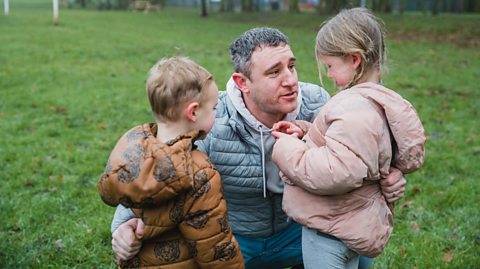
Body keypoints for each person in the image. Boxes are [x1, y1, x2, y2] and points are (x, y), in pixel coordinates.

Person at [110, 27, 408, 269]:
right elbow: (157, 170)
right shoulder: (212, 118)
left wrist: (391, 176)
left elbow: (357, 152)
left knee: (355, 234)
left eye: (291, 66)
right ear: (243, 82)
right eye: (274, 72)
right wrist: (121, 228)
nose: (291, 80)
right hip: (234, 241)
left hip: (299, 231)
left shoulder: (317, 102)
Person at [271, 8, 426, 269]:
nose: (329, 74)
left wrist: (288, 148)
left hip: (330, 231)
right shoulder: (378, 101)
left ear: (355, 59)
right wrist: (308, 132)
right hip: (358, 225)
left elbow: (338, 171)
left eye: (330, 66)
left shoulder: (354, 108)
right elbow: (356, 148)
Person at [97, 57, 244, 268]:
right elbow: (214, 246)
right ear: (193, 112)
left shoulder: (132, 148)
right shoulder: (199, 173)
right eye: (213, 108)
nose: (215, 113)